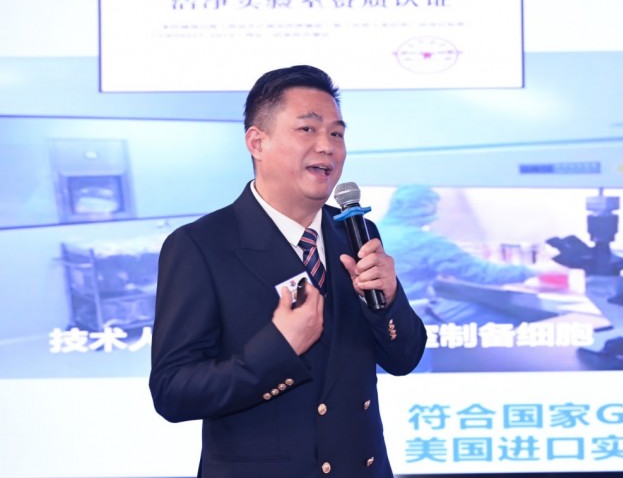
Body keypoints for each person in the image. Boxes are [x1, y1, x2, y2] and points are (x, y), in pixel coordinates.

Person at [149, 65, 427, 477]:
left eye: (337, 134)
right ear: (257, 142)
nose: (327, 147)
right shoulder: (200, 245)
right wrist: (279, 348)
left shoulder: (357, 232)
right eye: (307, 130)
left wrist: (388, 302)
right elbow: (172, 393)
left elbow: (404, 358)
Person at [379, 185, 551, 326]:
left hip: (377, 317)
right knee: (504, 320)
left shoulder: (375, 229)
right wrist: (539, 270)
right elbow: (483, 273)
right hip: (411, 315)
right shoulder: (423, 241)